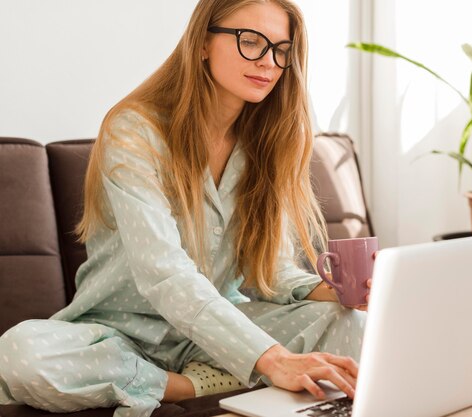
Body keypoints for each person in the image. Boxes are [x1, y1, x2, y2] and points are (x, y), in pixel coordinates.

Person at [0, 1, 367, 416]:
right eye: (251, 41)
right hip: (118, 336)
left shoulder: (267, 143)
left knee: (348, 321)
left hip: (217, 334)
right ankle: (184, 386)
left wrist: (337, 290)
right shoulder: (135, 131)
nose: (268, 62)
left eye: (281, 50)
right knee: (19, 353)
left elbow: (270, 272)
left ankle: (233, 369)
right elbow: (165, 275)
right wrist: (271, 359)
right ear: (203, 43)